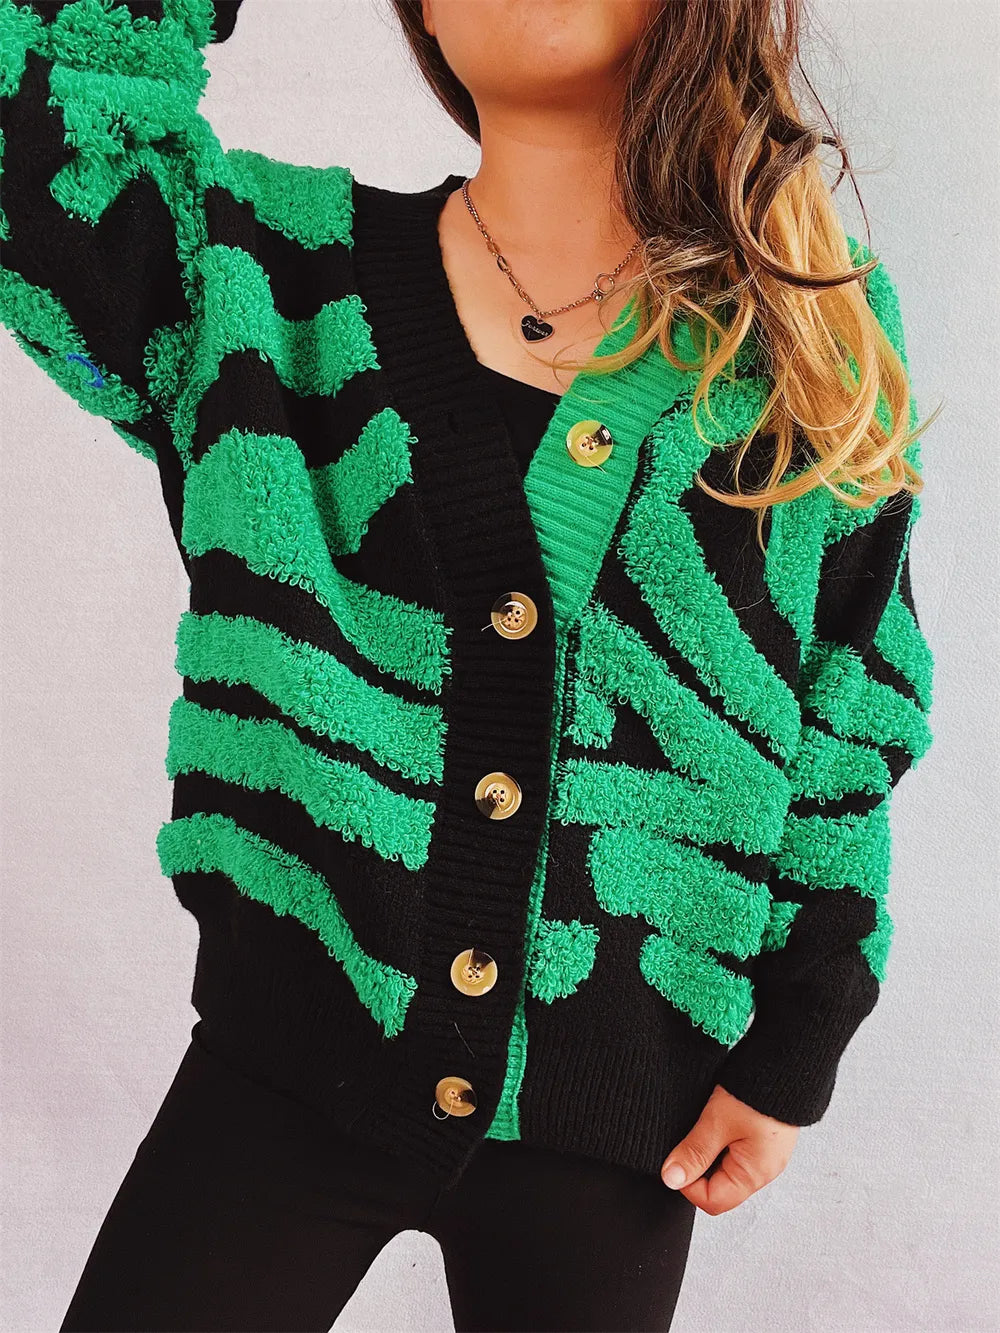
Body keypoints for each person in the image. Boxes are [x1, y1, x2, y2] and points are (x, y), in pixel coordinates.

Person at [0, 1, 936, 1330]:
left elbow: (853, 709)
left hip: (620, 1115)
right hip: (287, 1066)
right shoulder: (257, 281)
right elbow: (36, 131)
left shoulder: (807, 350)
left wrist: (801, 1035)